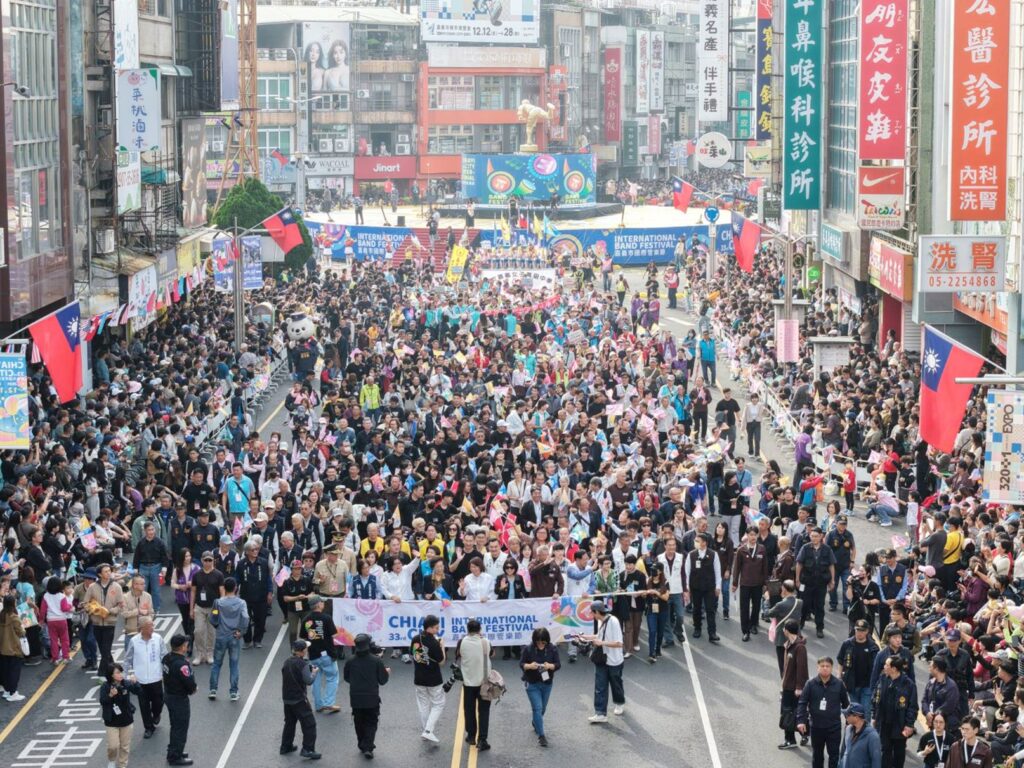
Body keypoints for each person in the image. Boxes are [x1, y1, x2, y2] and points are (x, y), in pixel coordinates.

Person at [797, 656, 850, 768]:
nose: (825, 668)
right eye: (822, 666)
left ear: (832, 668)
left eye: (827, 666)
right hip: (816, 727)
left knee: (834, 755)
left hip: (834, 727)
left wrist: (849, 721)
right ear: (818, 667)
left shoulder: (839, 684)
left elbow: (846, 704)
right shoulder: (810, 684)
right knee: (817, 756)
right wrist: (801, 721)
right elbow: (802, 702)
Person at [343, 633, 390, 759]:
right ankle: (368, 746)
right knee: (371, 722)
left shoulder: (350, 661)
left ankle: (362, 744)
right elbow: (383, 680)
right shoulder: (376, 661)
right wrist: (386, 672)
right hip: (371, 698)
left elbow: (346, 677)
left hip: (356, 698)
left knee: (358, 721)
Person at [872, 656, 918, 768]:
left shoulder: (908, 684)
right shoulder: (883, 679)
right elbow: (875, 697)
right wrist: (874, 716)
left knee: (899, 753)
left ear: (894, 669)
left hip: (900, 725)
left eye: (886, 665)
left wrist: (909, 724)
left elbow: (912, 707)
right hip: (884, 724)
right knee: (885, 751)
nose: (884, 666)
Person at [583, 600, 625, 723]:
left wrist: (601, 643)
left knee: (616, 685)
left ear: (597, 612)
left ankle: (619, 702)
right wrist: (587, 637)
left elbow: (619, 643)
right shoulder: (601, 620)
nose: (592, 615)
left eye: (592, 613)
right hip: (602, 660)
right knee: (600, 686)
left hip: (614, 660)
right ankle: (600, 713)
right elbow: (600, 636)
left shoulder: (613, 622)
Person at [125, 617, 167, 740]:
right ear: (142, 628)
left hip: (156, 678)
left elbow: (165, 656)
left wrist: (167, 673)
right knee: (144, 705)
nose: (152, 628)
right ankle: (148, 727)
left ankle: (157, 714)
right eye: (150, 626)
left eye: (152, 625)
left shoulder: (158, 639)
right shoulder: (134, 641)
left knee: (158, 702)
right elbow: (127, 659)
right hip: (141, 679)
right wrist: (124, 677)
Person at [208, 577, 249, 702]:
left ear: (224, 588)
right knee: (234, 665)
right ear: (236, 588)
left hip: (221, 636)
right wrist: (241, 631)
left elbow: (213, 617)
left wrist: (217, 626)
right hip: (234, 637)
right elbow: (245, 617)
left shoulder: (218, 603)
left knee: (216, 664)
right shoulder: (241, 603)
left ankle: (213, 690)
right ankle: (233, 692)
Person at [280, 640, 322, 760]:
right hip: (299, 699)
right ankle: (308, 749)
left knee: (290, 722)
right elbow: (309, 681)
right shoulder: (302, 664)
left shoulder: (287, 661)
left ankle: (285, 746)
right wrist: (314, 672)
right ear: (303, 651)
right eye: (306, 649)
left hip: (287, 698)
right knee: (309, 724)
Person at [299, 595, 340, 714]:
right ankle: (329, 703)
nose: (323, 603)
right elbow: (334, 635)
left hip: (313, 655)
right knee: (332, 678)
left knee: (316, 680)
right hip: (327, 654)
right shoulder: (326, 618)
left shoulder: (306, 619)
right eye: (322, 602)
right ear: (318, 604)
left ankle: (318, 705)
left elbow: (302, 637)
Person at [520, 627, 560, 747]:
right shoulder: (528, 649)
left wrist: (550, 666)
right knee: (537, 708)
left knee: (542, 709)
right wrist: (529, 666)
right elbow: (521, 664)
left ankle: (536, 721)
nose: (540, 644)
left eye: (543, 642)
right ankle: (541, 736)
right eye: (538, 642)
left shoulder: (552, 649)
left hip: (547, 683)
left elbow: (558, 664)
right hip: (532, 683)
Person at [457, 618, 492, 751]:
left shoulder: (462, 642)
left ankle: (471, 736)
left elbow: (458, 655)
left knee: (469, 709)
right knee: (484, 711)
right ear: (479, 630)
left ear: (467, 630)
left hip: (468, 682)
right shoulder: (485, 642)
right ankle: (482, 740)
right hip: (484, 682)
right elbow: (492, 653)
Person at [411, 614, 446, 744]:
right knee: (438, 704)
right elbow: (441, 661)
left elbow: (413, 654)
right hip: (434, 679)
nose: (438, 629)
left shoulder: (416, 638)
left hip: (419, 677)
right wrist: (442, 646)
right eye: (436, 627)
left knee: (423, 705)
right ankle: (428, 731)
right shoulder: (434, 642)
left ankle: (426, 730)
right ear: (429, 628)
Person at [795, 528, 836, 639]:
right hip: (806, 582)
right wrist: (797, 579)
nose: (814, 538)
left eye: (816, 536)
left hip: (821, 583)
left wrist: (832, 580)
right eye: (812, 536)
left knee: (819, 606)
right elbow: (799, 563)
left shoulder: (827, 549)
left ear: (821, 536)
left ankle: (819, 628)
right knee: (804, 604)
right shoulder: (805, 548)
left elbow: (831, 565)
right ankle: (801, 623)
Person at [162, 633, 197, 766]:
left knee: (175, 726)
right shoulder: (181, 664)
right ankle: (175, 757)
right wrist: (194, 688)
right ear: (182, 647)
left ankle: (175, 750)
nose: (187, 646)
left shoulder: (167, 658)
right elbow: (190, 685)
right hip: (179, 699)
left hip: (169, 695)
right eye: (186, 644)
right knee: (180, 728)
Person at [85, 562, 124, 677]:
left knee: (106, 649)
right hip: (96, 623)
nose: (109, 573)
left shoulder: (116, 587)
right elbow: (86, 603)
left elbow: (121, 605)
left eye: (109, 571)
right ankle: (115, 670)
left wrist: (110, 611)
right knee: (103, 650)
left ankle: (101, 674)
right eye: (105, 571)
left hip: (110, 623)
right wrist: (93, 610)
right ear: (99, 574)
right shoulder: (92, 587)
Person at [99, 663, 141, 768]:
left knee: (125, 746)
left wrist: (135, 682)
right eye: (117, 672)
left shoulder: (126, 683)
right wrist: (110, 695)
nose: (121, 674)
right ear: (111, 675)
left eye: (121, 672)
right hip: (111, 721)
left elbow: (138, 691)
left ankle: (123, 764)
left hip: (126, 719)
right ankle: (112, 760)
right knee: (113, 746)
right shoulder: (105, 686)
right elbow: (103, 701)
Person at [684, 532, 721, 643]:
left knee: (710, 610)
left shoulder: (713, 554)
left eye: (698, 541)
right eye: (695, 541)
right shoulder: (691, 555)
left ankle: (712, 633)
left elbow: (717, 571)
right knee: (696, 609)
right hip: (696, 587)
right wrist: (687, 587)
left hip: (709, 587)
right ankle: (697, 628)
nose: (695, 543)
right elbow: (687, 572)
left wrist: (718, 586)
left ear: (704, 543)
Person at [733, 526, 768, 641]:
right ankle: (745, 631)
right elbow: (736, 568)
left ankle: (753, 624)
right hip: (745, 583)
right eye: (751, 534)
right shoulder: (741, 550)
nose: (753, 537)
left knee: (756, 606)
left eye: (755, 535)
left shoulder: (762, 549)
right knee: (744, 608)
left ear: (758, 536)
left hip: (758, 583)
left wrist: (765, 583)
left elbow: (765, 567)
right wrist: (734, 583)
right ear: (747, 535)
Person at [779, 619, 808, 750]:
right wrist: (782, 684)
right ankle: (803, 734)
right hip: (787, 686)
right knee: (791, 713)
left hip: (794, 688)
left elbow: (802, 668)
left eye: (784, 628)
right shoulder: (789, 645)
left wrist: (799, 687)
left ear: (786, 631)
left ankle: (790, 739)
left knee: (790, 713)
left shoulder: (799, 647)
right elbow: (786, 668)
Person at [838, 703, 882, 768]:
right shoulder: (848, 730)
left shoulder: (872, 736)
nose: (845, 717)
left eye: (847, 715)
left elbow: (876, 761)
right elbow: (843, 753)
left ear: (856, 717)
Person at [0, 594, 26, 701]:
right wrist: (23, 627)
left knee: (5, 671)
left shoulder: (1, 616)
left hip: (2, 648)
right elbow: (21, 632)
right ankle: (13, 693)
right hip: (13, 648)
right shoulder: (14, 617)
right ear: (13, 604)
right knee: (14, 671)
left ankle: (7, 691)